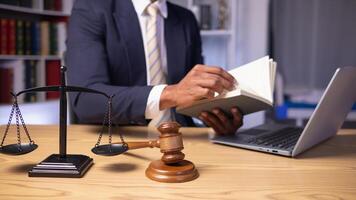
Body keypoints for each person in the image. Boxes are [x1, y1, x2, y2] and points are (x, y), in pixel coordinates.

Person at [66, 0, 243, 135]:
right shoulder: (90, 9)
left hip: (183, 138)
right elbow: (86, 100)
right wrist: (171, 93)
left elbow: (193, 96)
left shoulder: (186, 19)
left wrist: (217, 117)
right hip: (122, 142)